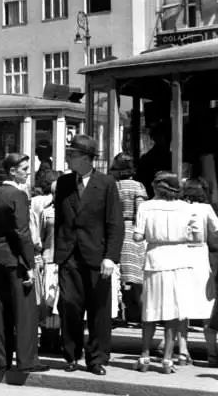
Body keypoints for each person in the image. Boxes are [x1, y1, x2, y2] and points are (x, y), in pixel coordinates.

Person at [53, 134, 124, 375]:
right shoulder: (63, 184)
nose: (68, 158)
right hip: (69, 255)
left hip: (97, 256)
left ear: (86, 158)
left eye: (72, 155)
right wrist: (58, 254)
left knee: (98, 310)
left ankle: (97, 359)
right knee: (70, 305)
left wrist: (110, 257)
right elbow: (60, 222)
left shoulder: (106, 184)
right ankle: (71, 354)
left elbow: (115, 223)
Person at [0, 153, 48, 374]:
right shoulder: (18, 195)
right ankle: (27, 360)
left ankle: (1, 359)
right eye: (24, 169)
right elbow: (22, 232)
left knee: (0, 311)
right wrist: (29, 263)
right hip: (16, 261)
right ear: (12, 171)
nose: (27, 172)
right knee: (25, 311)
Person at [132, 173, 200, 373]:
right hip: (179, 259)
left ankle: (145, 355)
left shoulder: (146, 207)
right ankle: (168, 359)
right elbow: (197, 236)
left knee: (150, 309)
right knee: (173, 311)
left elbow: (137, 236)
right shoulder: (187, 208)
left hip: (155, 259)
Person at [181, 177, 218, 366]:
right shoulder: (206, 209)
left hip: (181, 256)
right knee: (205, 307)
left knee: (182, 307)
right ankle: (212, 353)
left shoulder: (179, 208)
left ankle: (182, 350)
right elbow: (216, 230)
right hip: (200, 257)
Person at [110, 153, 147, 326]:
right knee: (136, 276)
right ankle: (141, 313)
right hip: (134, 230)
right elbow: (140, 211)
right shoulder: (138, 186)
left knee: (118, 275)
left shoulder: (114, 186)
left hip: (117, 230)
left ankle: (119, 312)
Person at [29, 169, 61, 354]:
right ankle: (49, 340)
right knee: (47, 304)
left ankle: (59, 339)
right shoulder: (46, 212)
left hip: (64, 263)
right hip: (48, 261)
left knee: (61, 304)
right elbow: (38, 237)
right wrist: (39, 257)